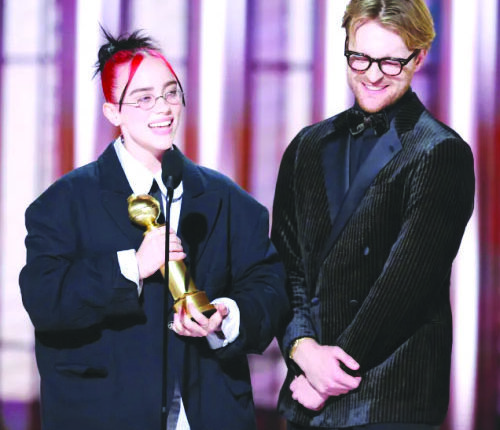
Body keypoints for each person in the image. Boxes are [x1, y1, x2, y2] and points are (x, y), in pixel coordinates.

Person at [19, 29, 288, 430]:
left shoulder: (230, 201)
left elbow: (269, 288)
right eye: (143, 98)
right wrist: (131, 267)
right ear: (113, 112)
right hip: (104, 413)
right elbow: (45, 299)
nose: (163, 108)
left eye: (170, 93)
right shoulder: (62, 204)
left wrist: (226, 316)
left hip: (207, 412)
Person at [271, 0, 475, 429]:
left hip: (387, 399)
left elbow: (403, 287)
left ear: (419, 57)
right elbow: (285, 265)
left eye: (390, 61)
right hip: (306, 396)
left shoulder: (441, 152)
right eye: (360, 58)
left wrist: (328, 377)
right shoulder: (307, 145)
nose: (373, 74)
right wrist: (301, 348)